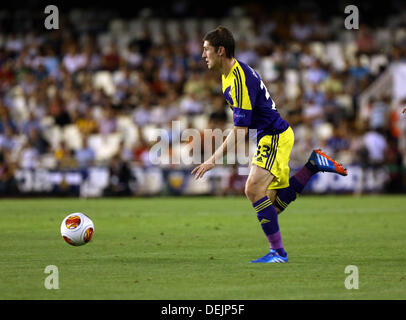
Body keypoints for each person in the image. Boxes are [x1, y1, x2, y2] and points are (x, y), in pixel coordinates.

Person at [191, 26, 348, 263]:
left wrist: (213, 159)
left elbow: (240, 130)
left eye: (206, 49)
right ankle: (313, 166)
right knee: (270, 207)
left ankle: (279, 253)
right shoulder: (227, 78)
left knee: (252, 190)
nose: (203, 55)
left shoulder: (238, 79)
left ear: (220, 50)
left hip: (273, 135)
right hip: (269, 136)